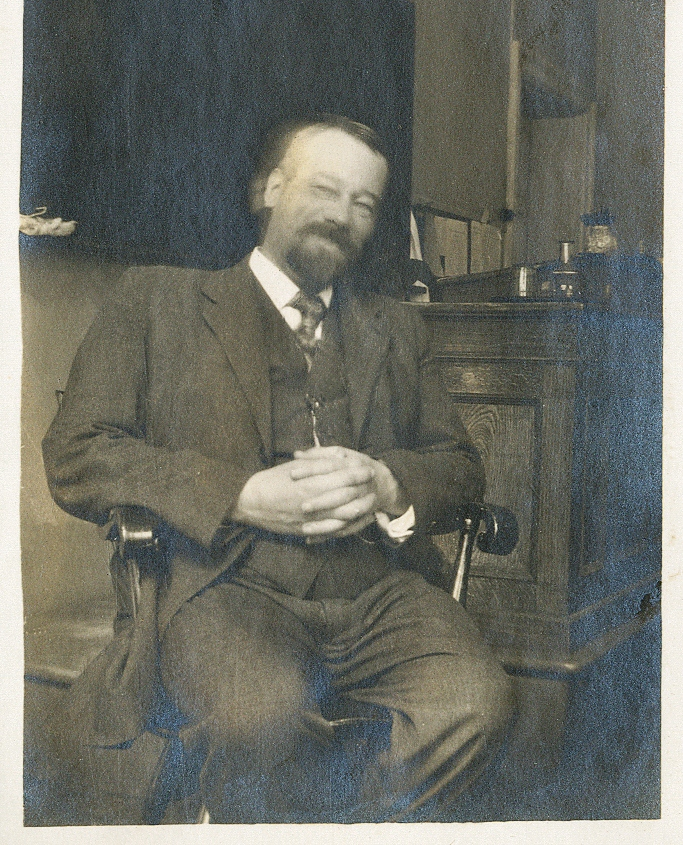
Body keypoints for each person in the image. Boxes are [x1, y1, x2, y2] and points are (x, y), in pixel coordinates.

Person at [43, 114, 515, 823]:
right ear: (269, 189)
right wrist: (238, 494)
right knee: (258, 716)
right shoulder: (156, 302)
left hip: (376, 590)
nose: (341, 216)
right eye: (324, 189)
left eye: (363, 203)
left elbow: (460, 466)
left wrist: (388, 484)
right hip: (223, 586)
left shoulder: (396, 327)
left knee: (477, 704)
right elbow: (77, 451)